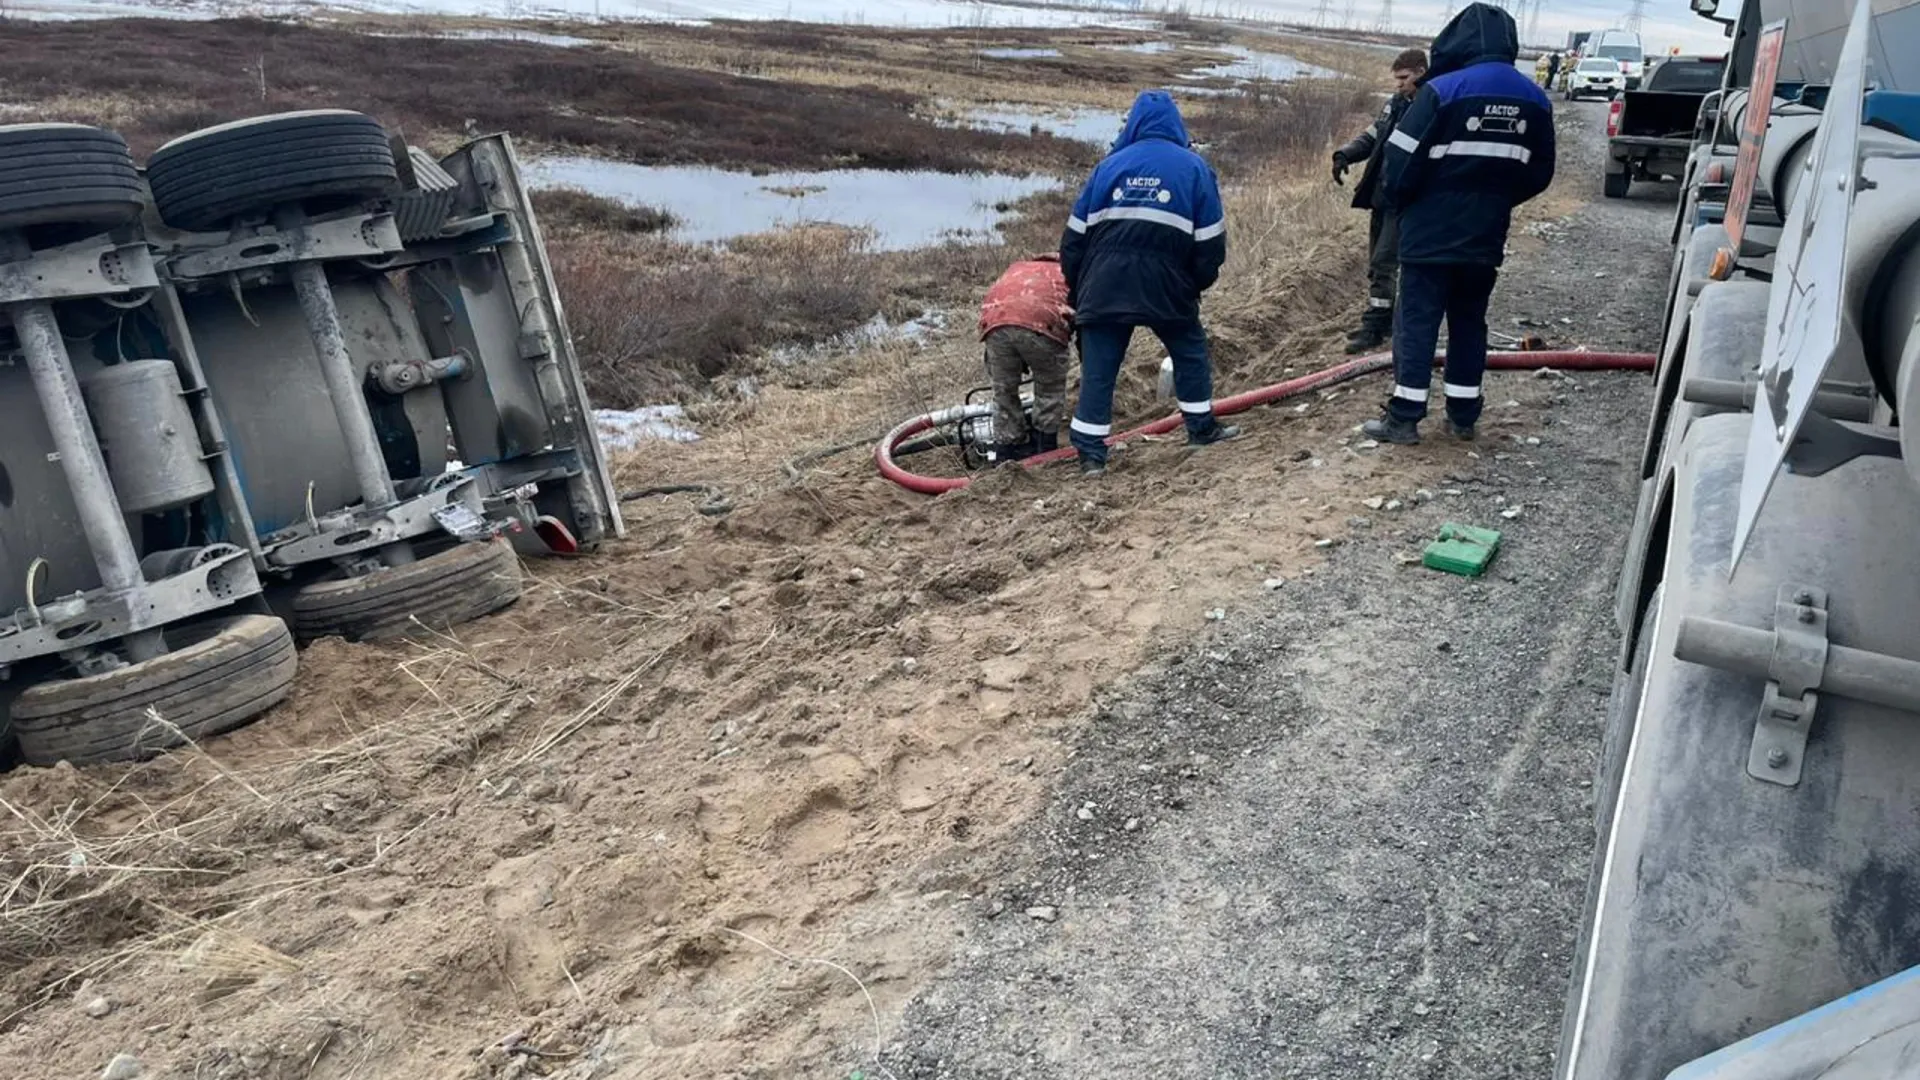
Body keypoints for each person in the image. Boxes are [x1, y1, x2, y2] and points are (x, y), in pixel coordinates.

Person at [1362, 1, 1555, 445]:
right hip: (1485, 234)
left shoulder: (1442, 90)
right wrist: (1496, 200)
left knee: (1417, 323)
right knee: (1470, 322)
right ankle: (1464, 416)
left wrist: (1405, 203)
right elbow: (1540, 172)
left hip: (1429, 232)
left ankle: (1405, 418)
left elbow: (1398, 160)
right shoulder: (1534, 97)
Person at [1060, 89, 1237, 477]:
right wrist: (1193, 285)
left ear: (1133, 123)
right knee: (1189, 350)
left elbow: (1073, 239)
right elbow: (1210, 245)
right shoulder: (1194, 169)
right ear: (1177, 124)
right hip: (1167, 285)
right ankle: (1201, 430)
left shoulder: (1108, 168)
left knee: (1099, 370)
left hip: (1104, 285)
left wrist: (1078, 288)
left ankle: (1090, 455)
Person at [1331, 47, 1429, 355]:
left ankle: (1376, 327)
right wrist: (1345, 153)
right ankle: (1382, 320)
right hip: (1381, 197)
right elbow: (1373, 136)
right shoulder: (1396, 104)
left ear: (1421, 72)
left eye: (1404, 78)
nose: (1398, 84)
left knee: (1384, 263)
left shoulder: (1430, 107)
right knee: (1377, 265)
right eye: (1396, 79)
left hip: (1404, 200)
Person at [977, 253, 1072, 461]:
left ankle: (1008, 451)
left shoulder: (1018, 267)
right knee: (1049, 390)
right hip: (1042, 326)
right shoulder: (1070, 272)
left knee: (1003, 392)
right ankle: (1044, 448)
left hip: (995, 325)